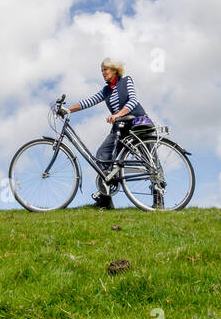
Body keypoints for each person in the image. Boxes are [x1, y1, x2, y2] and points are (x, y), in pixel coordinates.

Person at [60, 58, 154, 209]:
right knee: (103, 155)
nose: (103, 73)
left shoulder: (126, 81)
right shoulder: (106, 90)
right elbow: (88, 101)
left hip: (138, 123)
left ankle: (158, 198)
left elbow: (133, 101)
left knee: (151, 160)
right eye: (101, 70)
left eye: (106, 69)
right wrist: (67, 110)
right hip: (120, 128)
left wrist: (118, 114)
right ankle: (106, 198)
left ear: (115, 70)